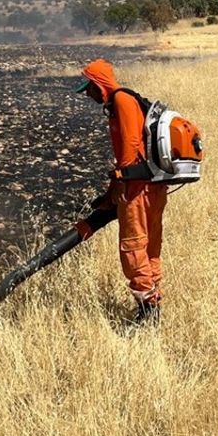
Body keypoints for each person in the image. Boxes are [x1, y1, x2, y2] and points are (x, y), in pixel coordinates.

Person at [74, 59, 168, 324]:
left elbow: (129, 150)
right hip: (151, 185)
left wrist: (121, 189)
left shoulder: (122, 101)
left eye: (89, 89)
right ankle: (153, 299)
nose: (88, 95)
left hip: (137, 189)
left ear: (99, 84)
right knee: (149, 246)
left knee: (133, 247)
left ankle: (148, 311)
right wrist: (108, 198)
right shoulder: (124, 101)